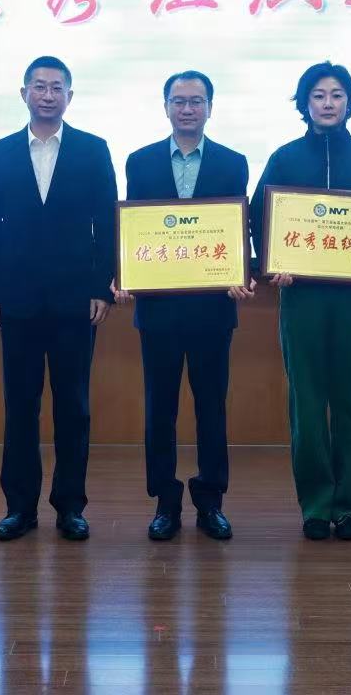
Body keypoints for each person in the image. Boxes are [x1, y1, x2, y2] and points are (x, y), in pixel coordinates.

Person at [249, 61, 351, 542]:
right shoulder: (283, 158)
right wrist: (272, 264)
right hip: (302, 298)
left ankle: (350, 506)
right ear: (305, 103)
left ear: (349, 102)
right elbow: (258, 219)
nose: (327, 103)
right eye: (318, 95)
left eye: (337, 95)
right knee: (307, 401)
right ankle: (316, 505)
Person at [0, 55, 116, 542]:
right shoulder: (0, 153)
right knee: (20, 406)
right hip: (17, 299)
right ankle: (19, 507)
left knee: (74, 407)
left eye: (57, 87)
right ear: (25, 94)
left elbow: (107, 223)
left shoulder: (93, 150)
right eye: (40, 86)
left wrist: (102, 287)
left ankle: (70, 506)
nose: (48, 95)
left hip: (76, 301)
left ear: (69, 97)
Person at [116, 70, 254, 541]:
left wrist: (241, 273)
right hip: (158, 310)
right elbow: (135, 230)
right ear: (166, 107)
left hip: (214, 309)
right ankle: (165, 502)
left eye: (197, 101)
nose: (188, 108)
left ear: (210, 107)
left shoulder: (233, 162)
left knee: (212, 408)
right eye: (179, 100)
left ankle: (211, 501)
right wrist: (125, 274)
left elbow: (238, 230)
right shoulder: (140, 161)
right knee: (160, 409)